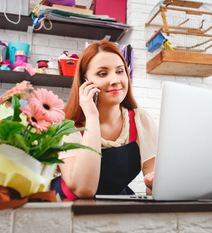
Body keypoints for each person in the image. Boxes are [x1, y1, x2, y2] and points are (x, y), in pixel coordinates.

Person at [50, 40, 157, 200]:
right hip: (66, 207)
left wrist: (154, 185)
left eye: (120, 71)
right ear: (84, 81)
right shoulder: (67, 126)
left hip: (114, 203)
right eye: (102, 73)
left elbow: (153, 182)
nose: (116, 80)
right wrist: (92, 117)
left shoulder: (140, 120)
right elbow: (84, 189)